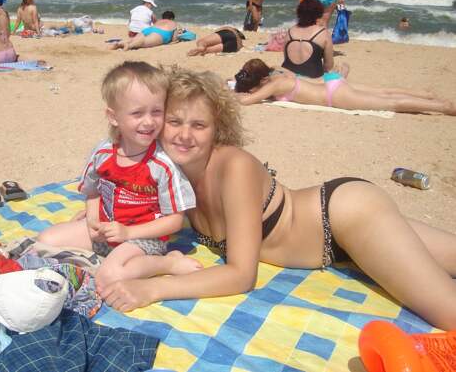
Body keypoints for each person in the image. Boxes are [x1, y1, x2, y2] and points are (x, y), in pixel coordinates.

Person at [99, 67, 456, 331]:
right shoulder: (169, 173)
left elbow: (241, 275)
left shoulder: (234, 166)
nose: (184, 135)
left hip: (345, 218)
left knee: (449, 314)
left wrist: (153, 289)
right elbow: (129, 208)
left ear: (218, 128)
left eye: (199, 125)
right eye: (175, 121)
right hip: (340, 233)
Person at [37, 61, 202, 290]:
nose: (148, 121)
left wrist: (128, 232)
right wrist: (93, 221)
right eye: (137, 113)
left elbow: (175, 221)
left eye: (156, 111)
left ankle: (168, 263)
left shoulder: (162, 165)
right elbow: (93, 191)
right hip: (107, 231)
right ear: (113, 117)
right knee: (45, 243)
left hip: (145, 237)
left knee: (110, 276)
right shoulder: (103, 153)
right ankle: (114, 258)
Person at [234, 58, 456, 115]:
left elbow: (247, 101)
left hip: (334, 96)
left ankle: (444, 108)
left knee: (390, 104)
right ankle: (426, 95)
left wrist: (231, 94)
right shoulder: (278, 73)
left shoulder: (273, 85)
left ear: (258, 82)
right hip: (331, 83)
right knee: (385, 92)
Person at [281, 0, 344, 79]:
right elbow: (328, 67)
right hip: (312, 81)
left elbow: (286, 59)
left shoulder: (290, 31)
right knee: (345, 67)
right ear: (318, 14)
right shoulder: (323, 33)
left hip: (288, 78)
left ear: (299, 12)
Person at [110, 11, 179, 51]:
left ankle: (120, 43)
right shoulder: (173, 23)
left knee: (133, 39)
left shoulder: (159, 21)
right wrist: (175, 41)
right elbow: (174, 39)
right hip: (161, 33)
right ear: (172, 18)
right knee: (144, 42)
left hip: (149, 29)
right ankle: (129, 46)